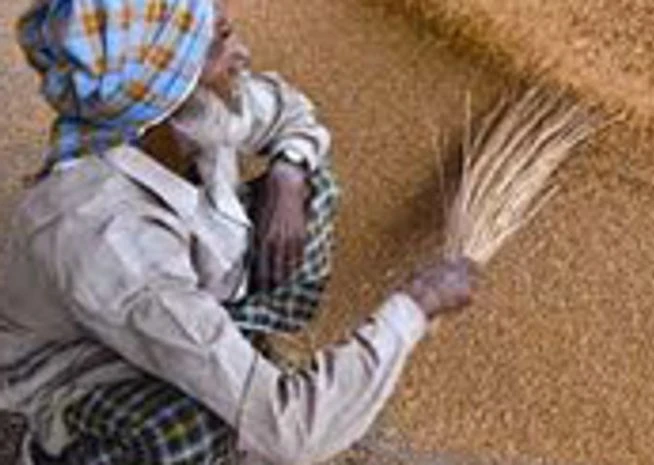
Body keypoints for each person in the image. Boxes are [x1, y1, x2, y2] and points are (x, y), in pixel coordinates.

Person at [0, 0, 478, 464]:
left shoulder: (187, 113)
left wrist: (288, 177)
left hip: (172, 313)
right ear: (169, 83)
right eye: (218, 42)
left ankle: (233, 367)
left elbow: (285, 112)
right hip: (84, 375)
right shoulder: (105, 238)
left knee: (310, 187)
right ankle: (49, 451)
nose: (242, 53)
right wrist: (416, 305)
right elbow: (295, 437)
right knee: (194, 429)